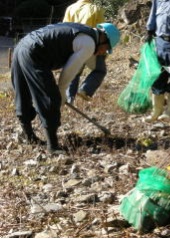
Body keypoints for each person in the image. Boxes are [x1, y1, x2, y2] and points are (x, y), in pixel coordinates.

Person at [11, 22, 120, 154]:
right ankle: (53, 146)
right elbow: (69, 71)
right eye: (106, 48)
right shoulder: (89, 44)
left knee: (22, 94)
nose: (103, 52)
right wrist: (62, 91)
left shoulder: (83, 31)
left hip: (22, 46)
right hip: (35, 53)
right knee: (50, 99)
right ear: (103, 38)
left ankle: (28, 136)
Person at [63, 0, 106, 103]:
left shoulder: (70, 8)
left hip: (73, 44)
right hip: (90, 44)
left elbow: (64, 28)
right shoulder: (96, 9)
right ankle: (85, 90)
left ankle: (70, 99)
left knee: (74, 72)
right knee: (100, 70)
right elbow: (101, 31)